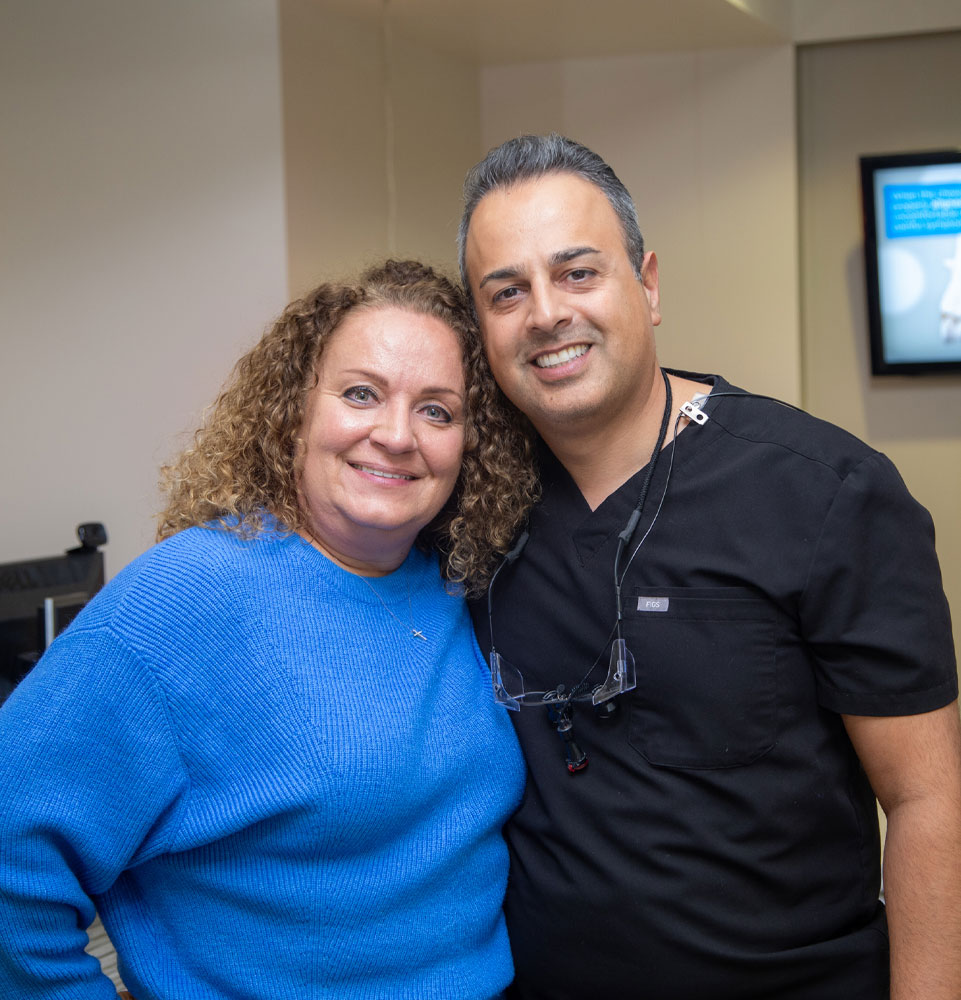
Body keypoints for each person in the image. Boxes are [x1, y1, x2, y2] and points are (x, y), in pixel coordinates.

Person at [458, 134, 961, 1000]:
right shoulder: (469, 507)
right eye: (507, 291)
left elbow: (927, 804)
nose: (544, 313)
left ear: (646, 285)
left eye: (578, 272)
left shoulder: (823, 492)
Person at [0, 260, 537, 1000]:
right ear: (294, 410)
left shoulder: (455, 585)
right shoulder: (187, 597)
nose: (396, 435)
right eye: (360, 394)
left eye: (438, 411)